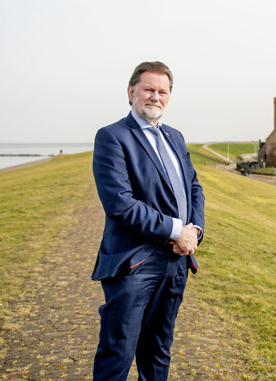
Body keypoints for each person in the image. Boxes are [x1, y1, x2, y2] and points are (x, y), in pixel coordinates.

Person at [91, 61, 205, 380]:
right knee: (118, 352)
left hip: (176, 262)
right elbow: (120, 204)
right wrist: (175, 229)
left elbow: (194, 187)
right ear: (131, 92)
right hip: (135, 262)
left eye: (163, 91)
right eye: (149, 90)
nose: (156, 97)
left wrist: (194, 230)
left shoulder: (175, 137)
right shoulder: (112, 137)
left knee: (158, 351)